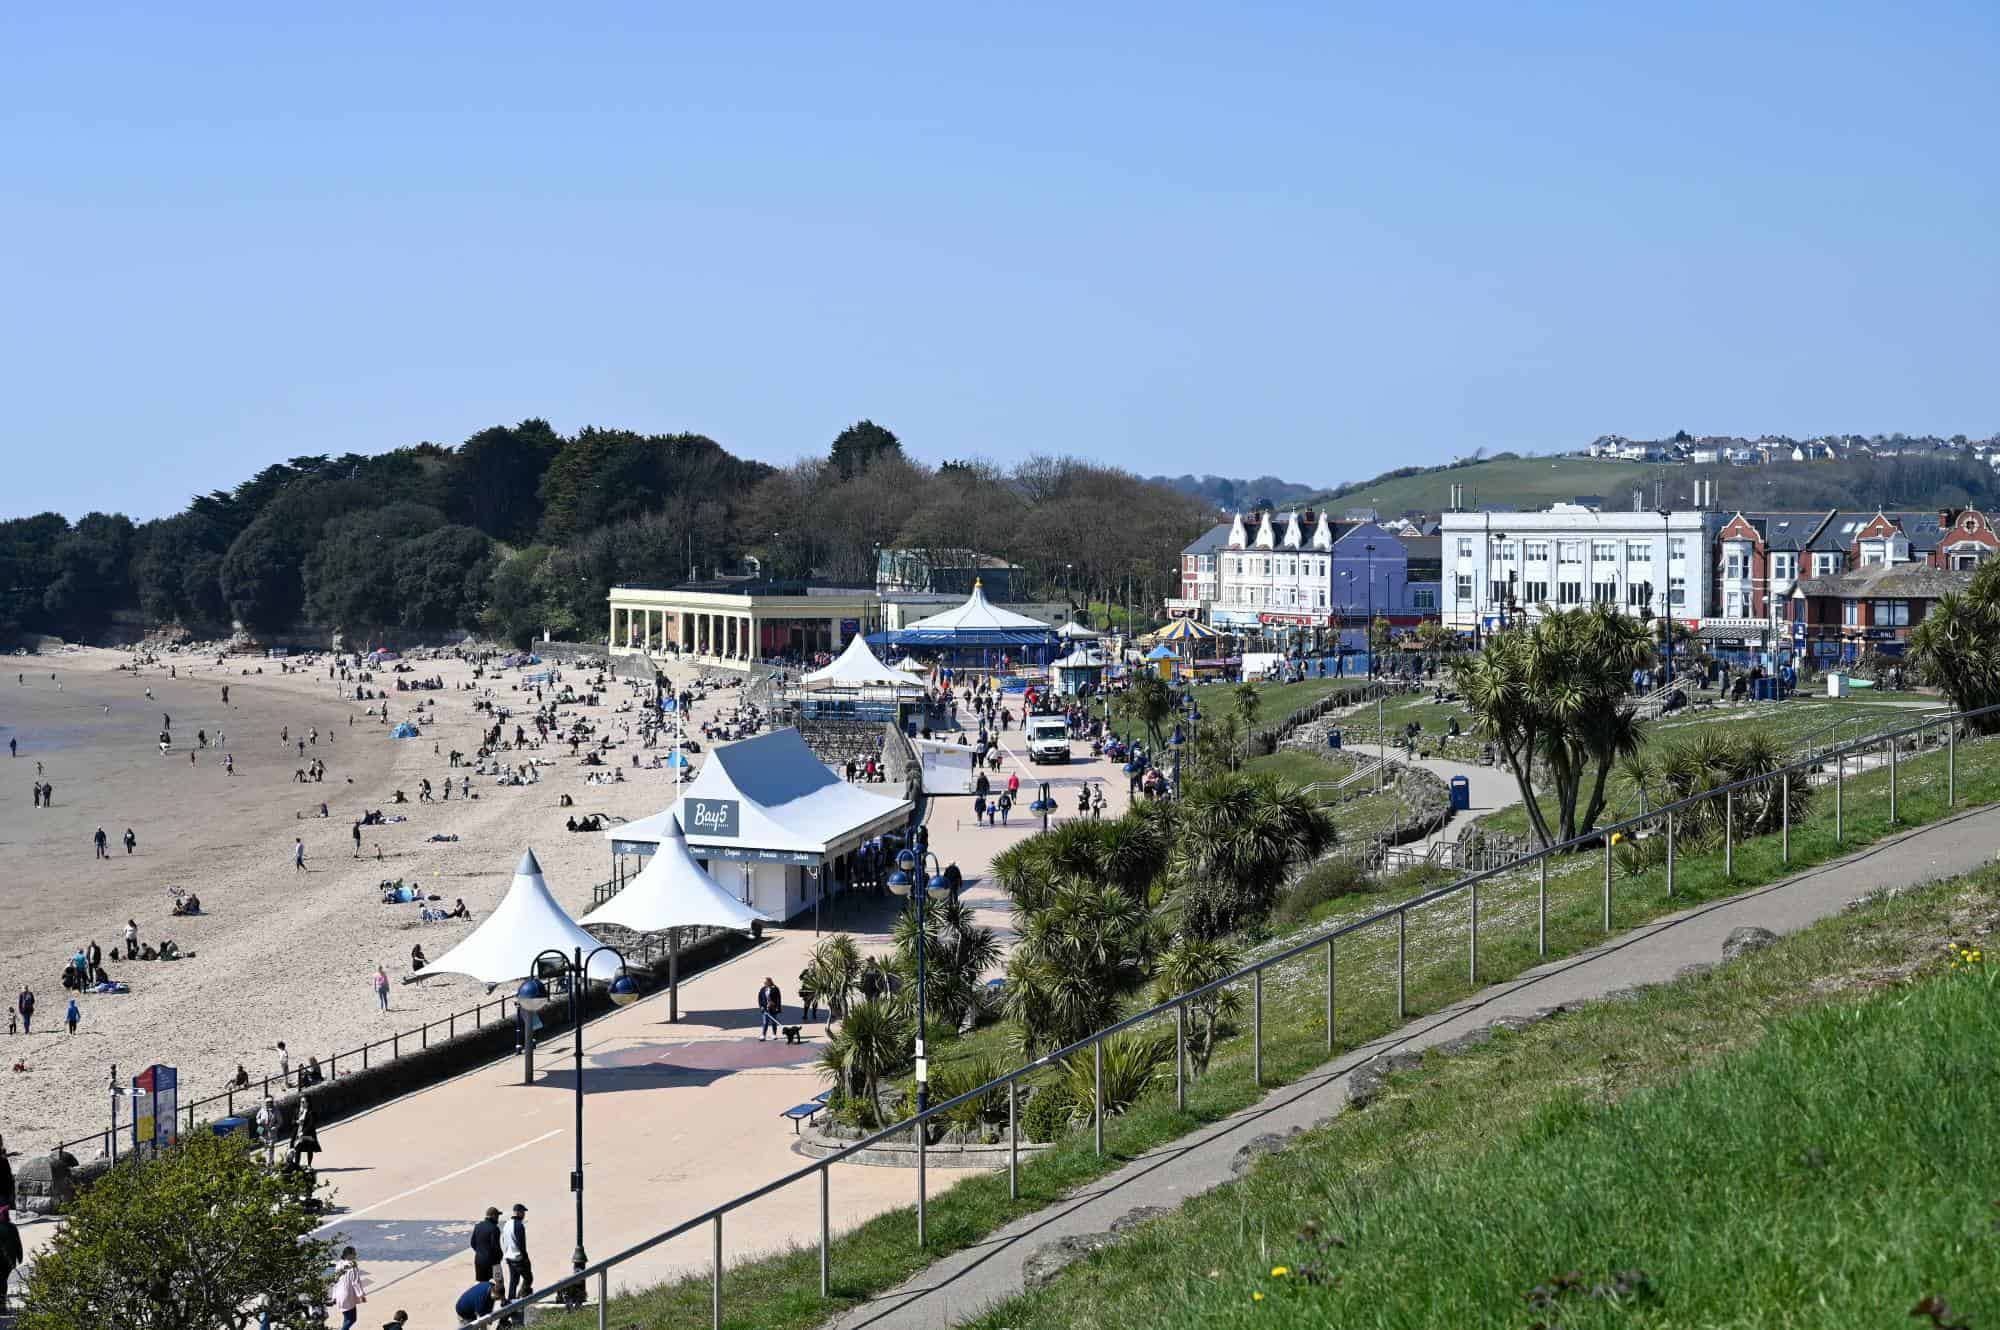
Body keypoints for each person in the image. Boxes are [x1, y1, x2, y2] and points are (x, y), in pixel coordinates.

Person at [500, 1203, 532, 1307]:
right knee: (528, 1278)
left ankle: (511, 1302)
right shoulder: (519, 1225)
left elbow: (503, 1240)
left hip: (509, 1257)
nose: (524, 1215)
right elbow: (521, 1244)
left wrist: (506, 1254)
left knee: (514, 1281)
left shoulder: (507, 1224)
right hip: (518, 1258)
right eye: (523, 1212)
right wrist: (526, 1258)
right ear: (518, 1212)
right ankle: (521, 1299)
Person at [331, 1246, 367, 1329]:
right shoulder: (352, 1265)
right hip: (347, 1295)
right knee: (352, 1319)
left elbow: (335, 1281)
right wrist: (361, 1295)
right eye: (353, 1253)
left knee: (347, 1318)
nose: (355, 1255)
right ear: (348, 1255)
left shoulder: (339, 1264)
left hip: (339, 1295)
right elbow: (356, 1282)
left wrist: (334, 1296)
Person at [470, 1205, 503, 1282]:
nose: (498, 1218)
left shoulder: (478, 1226)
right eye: (497, 1215)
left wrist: (480, 1252)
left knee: (481, 1284)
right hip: (493, 1263)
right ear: (493, 1216)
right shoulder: (494, 1228)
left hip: (479, 1261)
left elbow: (472, 1243)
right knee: (499, 1283)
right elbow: (495, 1247)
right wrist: (499, 1257)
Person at [0, 1204, 21, 1316]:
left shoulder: (12, 1227)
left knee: (2, 1280)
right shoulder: (12, 1227)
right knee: (3, 1280)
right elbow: (18, 1244)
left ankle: (2, 1304)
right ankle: (2, 1303)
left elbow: (17, 1243)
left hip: (4, 1260)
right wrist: (20, 1257)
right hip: (9, 1261)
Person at [291, 1094, 321, 1170]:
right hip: (298, 1133)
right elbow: (292, 1122)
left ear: (308, 1103)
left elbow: (311, 1124)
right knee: (297, 1148)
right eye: (301, 1102)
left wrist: (303, 1132)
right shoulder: (297, 1110)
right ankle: (297, 1165)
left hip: (308, 1134)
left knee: (309, 1149)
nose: (302, 1103)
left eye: (303, 1102)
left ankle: (309, 1165)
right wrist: (297, 1121)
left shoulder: (311, 1112)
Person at [756, 976, 782, 1041]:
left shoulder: (775, 988)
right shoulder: (763, 989)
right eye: (764, 982)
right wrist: (761, 1006)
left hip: (773, 1008)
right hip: (765, 1009)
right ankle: (763, 1035)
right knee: (765, 1022)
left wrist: (777, 1007)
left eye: (766, 982)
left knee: (773, 1022)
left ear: (769, 982)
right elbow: (760, 998)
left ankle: (774, 1034)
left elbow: (778, 999)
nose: (764, 983)